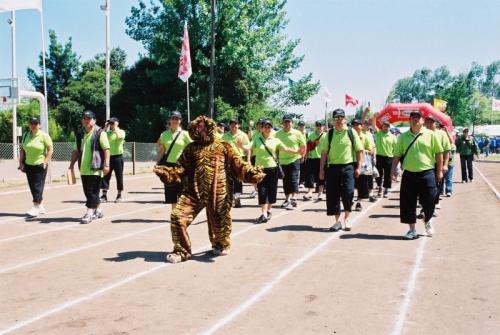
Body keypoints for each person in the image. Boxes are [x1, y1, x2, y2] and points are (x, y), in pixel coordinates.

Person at [154, 115, 265, 263]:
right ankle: (182, 250)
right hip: (194, 191)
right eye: (198, 127)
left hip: (218, 192)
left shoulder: (223, 146)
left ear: (210, 127)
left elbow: (238, 165)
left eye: (204, 126)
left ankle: (221, 243)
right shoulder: (191, 148)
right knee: (177, 217)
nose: (201, 129)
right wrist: (167, 173)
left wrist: (252, 173)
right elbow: (180, 169)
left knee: (219, 222)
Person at [391, 111, 443, 240]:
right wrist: (392, 170)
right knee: (408, 202)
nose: (415, 120)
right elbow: (397, 155)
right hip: (409, 174)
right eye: (413, 118)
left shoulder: (431, 135)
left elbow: (438, 154)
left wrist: (440, 171)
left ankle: (427, 219)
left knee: (431, 199)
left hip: (427, 172)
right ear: (410, 121)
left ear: (422, 121)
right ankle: (412, 230)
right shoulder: (402, 137)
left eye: (418, 118)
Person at [247, 119, 301, 223]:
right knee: (262, 191)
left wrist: (297, 151)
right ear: (261, 128)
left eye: (269, 127)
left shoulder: (275, 139)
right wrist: (244, 150)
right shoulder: (257, 139)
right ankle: (263, 213)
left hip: (273, 169)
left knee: (272, 191)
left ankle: (268, 210)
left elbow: (285, 149)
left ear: (271, 128)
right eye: (265, 127)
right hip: (260, 169)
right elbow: (248, 147)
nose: (267, 129)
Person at [319, 109, 363, 231]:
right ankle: (337, 221)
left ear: (345, 119)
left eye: (341, 118)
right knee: (333, 194)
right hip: (332, 168)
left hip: (348, 167)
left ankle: (347, 218)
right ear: (333, 120)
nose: (339, 120)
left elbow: (359, 150)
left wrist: (359, 167)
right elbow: (324, 153)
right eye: (336, 118)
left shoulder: (351, 132)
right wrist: (321, 170)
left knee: (348, 192)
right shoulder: (330, 134)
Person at [69, 111, 110, 224]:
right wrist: (71, 165)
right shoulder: (80, 135)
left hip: (96, 168)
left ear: (94, 120)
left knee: (92, 192)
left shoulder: (100, 133)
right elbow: (76, 151)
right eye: (84, 118)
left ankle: (89, 212)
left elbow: (106, 149)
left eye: (89, 118)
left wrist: (106, 165)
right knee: (88, 192)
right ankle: (98, 210)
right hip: (83, 169)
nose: (86, 120)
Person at [156, 111, 192, 210]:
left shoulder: (185, 134)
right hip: (168, 166)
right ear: (170, 120)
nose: (175, 120)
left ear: (180, 121)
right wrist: (157, 163)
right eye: (173, 118)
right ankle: (174, 214)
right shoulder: (164, 134)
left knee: (182, 190)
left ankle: (181, 214)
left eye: (177, 119)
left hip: (182, 166)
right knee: (171, 191)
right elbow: (162, 151)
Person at [19, 117, 53, 217]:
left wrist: (45, 162)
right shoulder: (26, 135)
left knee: (37, 186)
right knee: (32, 186)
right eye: (31, 123)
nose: (33, 125)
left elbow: (50, 150)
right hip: (28, 164)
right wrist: (21, 162)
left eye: (35, 123)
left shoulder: (44, 135)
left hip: (40, 165)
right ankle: (40, 206)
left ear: (39, 125)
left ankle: (36, 206)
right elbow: (22, 150)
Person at [275, 115, 307, 209]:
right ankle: (287, 199)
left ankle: (294, 198)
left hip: (294, 159)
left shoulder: (297, 133)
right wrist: (276, 158)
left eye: (289, 122)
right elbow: (275, 147)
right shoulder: (278, 134)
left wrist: (302, 155)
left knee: (293, 179)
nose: (287, 124)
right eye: (285, 122)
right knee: (285, 181)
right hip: (282, 161)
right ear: (282, 123)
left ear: (292, 123)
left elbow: (303, 145)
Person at [222, 118, 250, 208]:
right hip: (228, 160)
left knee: (238, 180)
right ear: (229, 126)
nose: (233, 126)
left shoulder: (243, 135)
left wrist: (248, 159)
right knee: (229, 180)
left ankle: (237, 198)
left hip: (239, 159)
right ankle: (230, 198)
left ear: (239, 125)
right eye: (231, 124)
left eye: (235, 124)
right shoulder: (225, 136)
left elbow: (248, 148)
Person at [423, 116, 450, 210]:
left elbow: (446, 150)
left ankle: (436, 201)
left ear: (436, 123)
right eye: (427, 122)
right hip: (426, 164)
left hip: (438, 163)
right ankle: (426, 204)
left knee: (438, 183)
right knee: (426, 185)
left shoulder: (442, 134)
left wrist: (445, 165)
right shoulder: (422, 133)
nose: (429, 124)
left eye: (431, 122)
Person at [368, 117, 396, 198]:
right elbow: (373, 126)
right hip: (379, 157)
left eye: (387, 126)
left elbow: (395, 149)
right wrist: (374, 117)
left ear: (389, 127)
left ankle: (386, 189)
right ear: (382, 126)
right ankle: (379, 187)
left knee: (388, 175)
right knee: (378, 174)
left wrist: (395, 159)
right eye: (384, 126)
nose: (385, 127)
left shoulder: (393, 137)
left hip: (389, 157)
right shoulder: (378, 133)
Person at [352, 119, 376, 212]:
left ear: (361, 126)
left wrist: (361, 150)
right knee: (350, 183)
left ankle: (358, 203)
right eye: (354, 125)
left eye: (358, 125)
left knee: (360, 184)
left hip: (360, 162)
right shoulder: (349, 136)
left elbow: (371, 150)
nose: (356, 126)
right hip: (349, 162)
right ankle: (350, 200)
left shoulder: (365, 136)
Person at [100, 117, 126, 203]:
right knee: (105, 176)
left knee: (119, 176)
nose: (111, 125)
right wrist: (105, 127)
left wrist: (115, 127)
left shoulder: (121, 131)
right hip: (109, 157)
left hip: (118, 157)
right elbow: (99, 135)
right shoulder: (107, 133)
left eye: (112, 123)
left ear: (117, 123)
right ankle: (104, 195)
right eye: (110, 123)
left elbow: (119, 137)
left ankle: (119, 195)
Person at [303, 120, 326, 201]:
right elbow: (307, 146)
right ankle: (309, 192)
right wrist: (304, 156)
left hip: (322, 158)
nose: (319, 127)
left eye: (321, 125)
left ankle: (320, 193)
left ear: (324, 126)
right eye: (318, 125)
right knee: (310, 176)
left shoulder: (326, 136)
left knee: (321, 175)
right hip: (311, 158)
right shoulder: (311, 135)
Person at [442, 127, 456, 197]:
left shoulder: (452, 145)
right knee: (441, 178)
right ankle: (441, 191)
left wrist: (446, 131)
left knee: (448, 178)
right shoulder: (442, 145)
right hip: (441, 163)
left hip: (449, 163)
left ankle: (448, 190)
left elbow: (451, 142)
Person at [297, 120, 308, 188]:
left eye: (303, 125)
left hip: (305, 152)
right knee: (297, 168)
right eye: (300, 125)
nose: (302, 127)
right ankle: (298, 181)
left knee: (304, 168)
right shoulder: (296, 133)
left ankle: (302, 182)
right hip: (297, 152)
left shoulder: (307, 133)